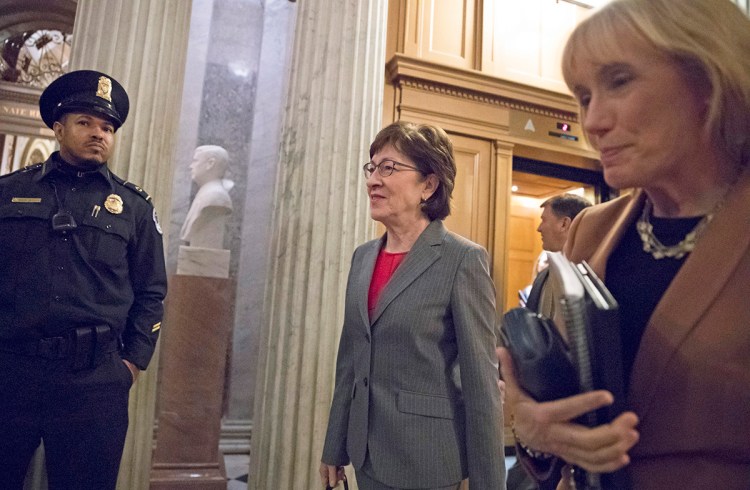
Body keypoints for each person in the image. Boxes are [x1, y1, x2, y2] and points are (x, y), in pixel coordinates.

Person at [498, 1, 750, 489]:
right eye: (585, 96)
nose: (592, 121)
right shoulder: (593, 229)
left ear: (709, 79)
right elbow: (562, 409)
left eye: (618, 81)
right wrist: (530, 428)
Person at [0, 70, 167, 489]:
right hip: (11, 371)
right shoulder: (9, 192)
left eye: (107, 127)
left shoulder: (134, 208)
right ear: (58, 129)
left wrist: (131, 364)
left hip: (93, 381)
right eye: (85, 123)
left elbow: (151, 290)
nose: (99, 134)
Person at [320, 121, 505, 489]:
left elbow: (481, 382)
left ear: (429, 184)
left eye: (388, 168)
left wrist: (489, 485)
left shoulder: (462, 259)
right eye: (371, 168)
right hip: (367, 454)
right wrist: (334, 446)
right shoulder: (363, 257)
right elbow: (351, 360)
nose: (373, 179)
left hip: (427, 458)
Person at [525, 194, 592, 318]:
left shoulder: (593, 275)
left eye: (544, 220)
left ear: (564, 224)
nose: (539, 228)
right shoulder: (542, 277)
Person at [180, 144, 233, 249]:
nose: (191, 166)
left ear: (210, 164)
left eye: (195, 161)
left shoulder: (216, 196)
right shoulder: (206, 194)